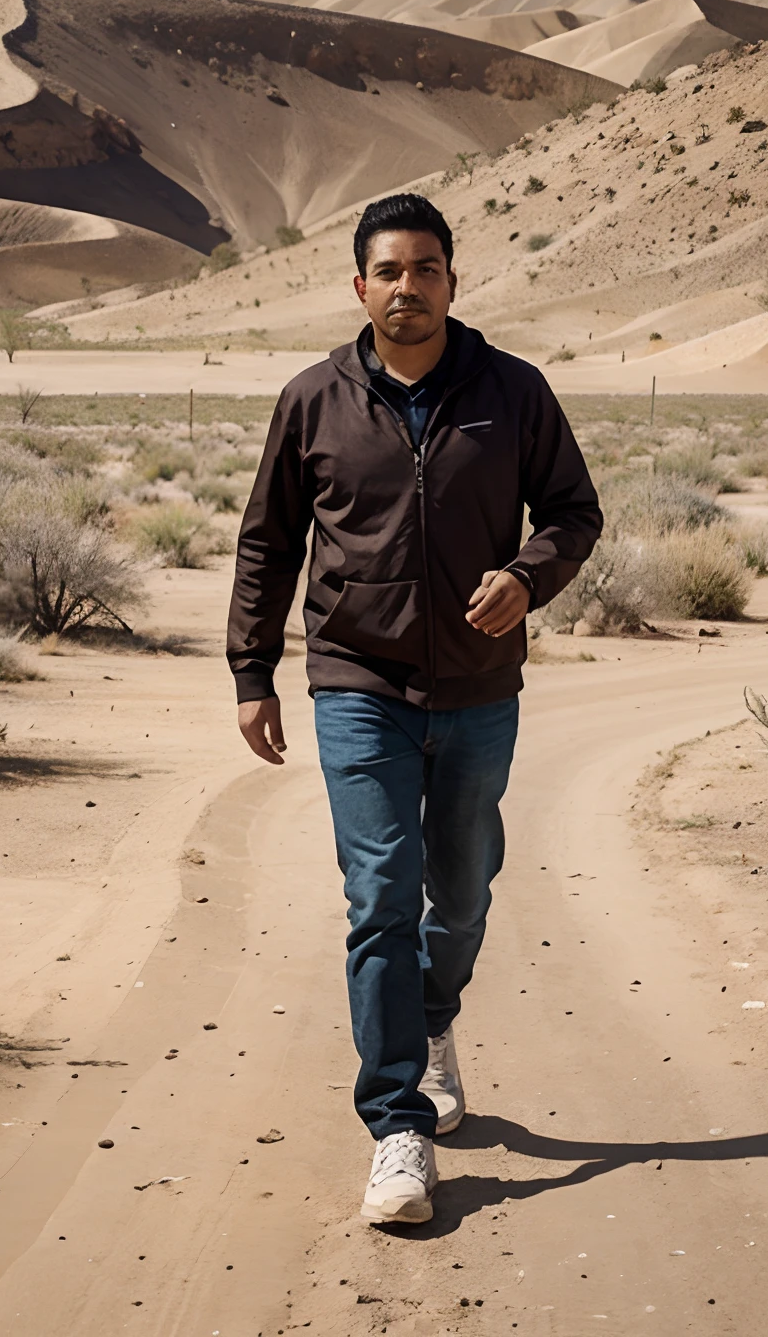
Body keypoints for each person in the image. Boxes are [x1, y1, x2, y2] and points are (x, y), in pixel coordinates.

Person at [226, 193, 602, 1225]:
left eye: (426, 268)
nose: (408, 286)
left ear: (451, 279)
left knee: (465, 888)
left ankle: (434, 1019)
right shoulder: (313, 400)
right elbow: (269, 542)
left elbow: (574, 511)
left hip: (481, 688)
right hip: (358, 683)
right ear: (361, 287)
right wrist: (253, 673)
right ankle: (398, 1126)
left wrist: (528, 575)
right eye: (389, 271)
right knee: (383, 890)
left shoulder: (513, 393)